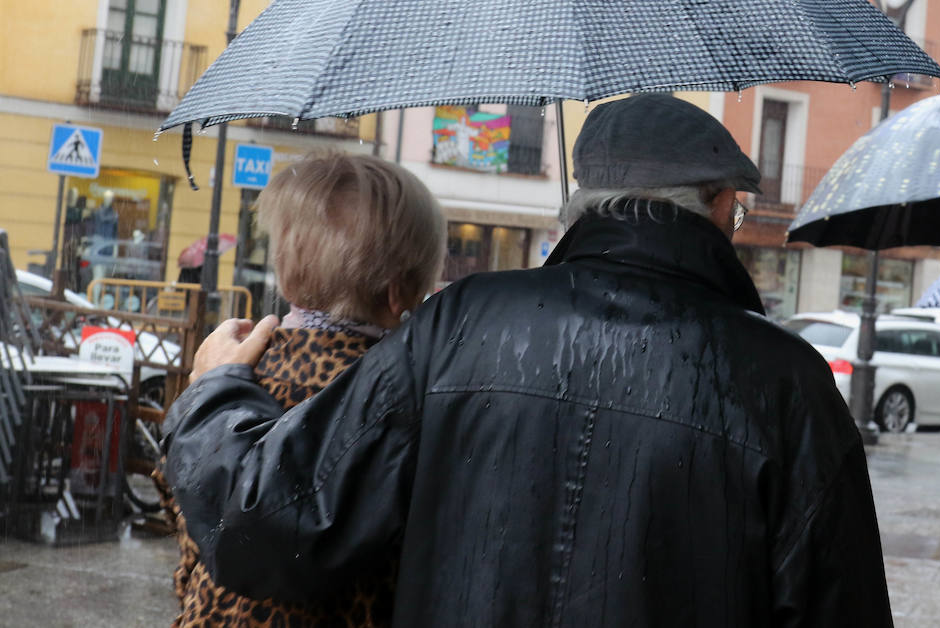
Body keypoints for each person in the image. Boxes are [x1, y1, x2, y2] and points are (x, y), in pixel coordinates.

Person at [162, 94, 892, 628]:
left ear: (585, 204)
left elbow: (270, 520)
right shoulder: (788, 383)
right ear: (719, 203)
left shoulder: (456, 322)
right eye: (734, 215)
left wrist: (217, 390)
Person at [161, 152, 445, 627]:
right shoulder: (404, 403)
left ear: (286, 272)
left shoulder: (227, 375)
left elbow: (186, 512)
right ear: (400, 294)